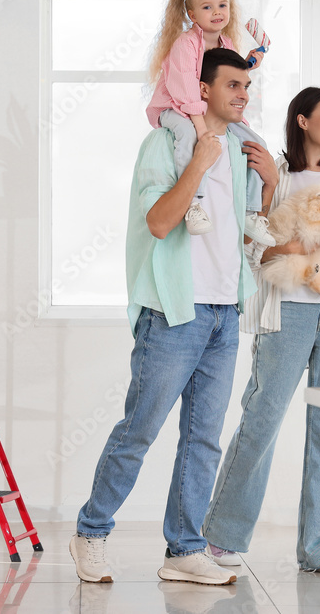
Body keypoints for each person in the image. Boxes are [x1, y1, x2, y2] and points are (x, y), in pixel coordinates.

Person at [68, 48, 277, 586]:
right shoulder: (163, 145)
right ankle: (91, 531)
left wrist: (272, 183)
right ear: (201, 88)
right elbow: (160, 222)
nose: (242, 96)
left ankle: (184, 549)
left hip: (223, 313)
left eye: (247, 88)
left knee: (203, 438)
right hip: (172, 313)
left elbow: (250, 230)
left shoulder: (237, 148)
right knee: (140, 429)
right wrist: (198, 165)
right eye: (232, 85)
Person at [201, 86, 320, 575]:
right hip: (287, 313)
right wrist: (289, 246)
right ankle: (220, 538)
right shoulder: (275, 173)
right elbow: (251, 248)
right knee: (261, 421)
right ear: (302, 120)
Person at [146, 0, 276, 247]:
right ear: (192, 14)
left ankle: (252, 211)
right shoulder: (185, 44)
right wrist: (202, 128)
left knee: (254, 143)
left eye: (222, 5)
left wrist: (248, 63)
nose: (217, 12)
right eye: (207, 7)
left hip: (203, 108)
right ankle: (194, 205)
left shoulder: (226, 44)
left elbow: (223, 78)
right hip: (174, 107)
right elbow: (185, 89)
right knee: (190, 137)